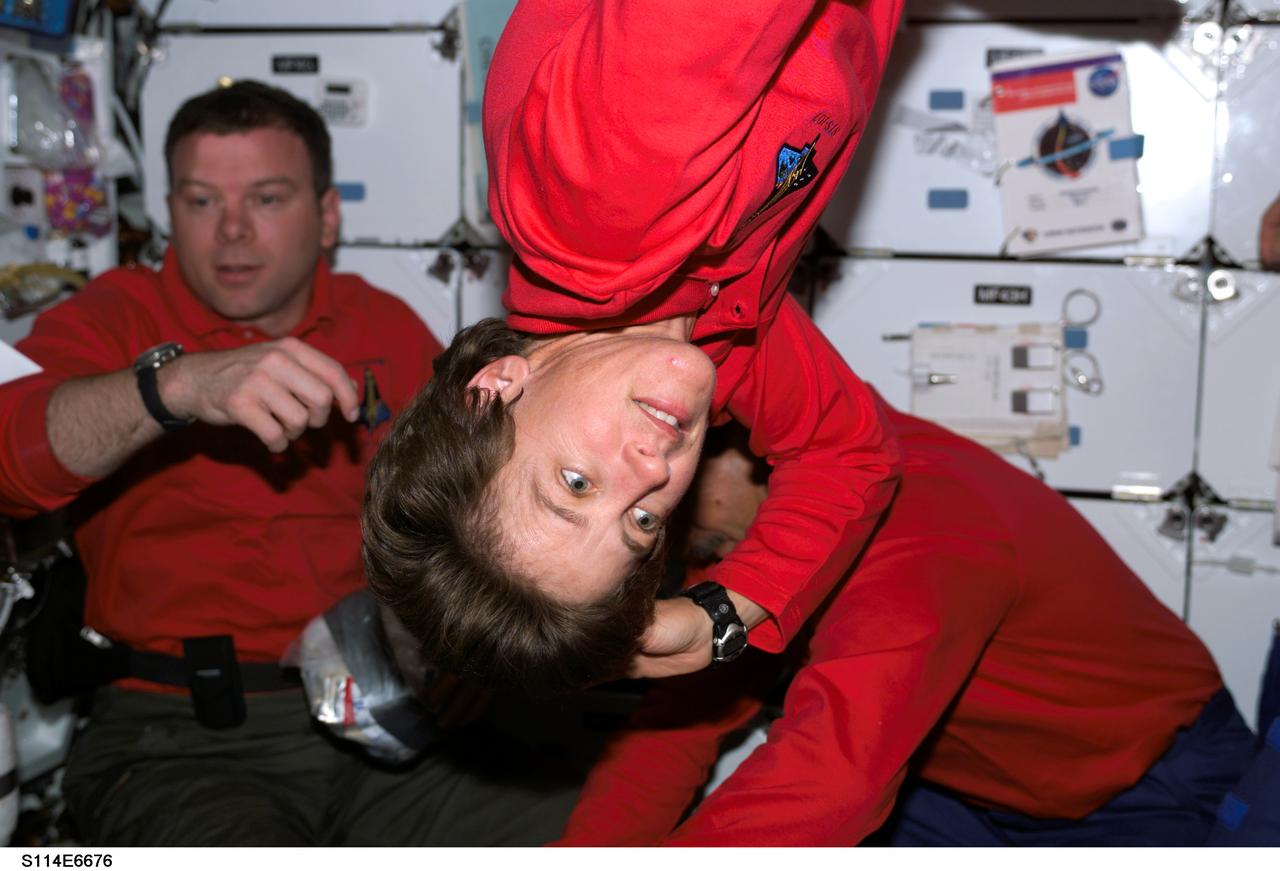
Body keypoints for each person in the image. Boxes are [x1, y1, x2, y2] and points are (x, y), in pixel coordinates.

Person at [0, 81, 575, 846]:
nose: (232, 232)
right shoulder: (118, 316)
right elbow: (9, 458)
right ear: (167, 212)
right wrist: (175, 386)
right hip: (180, 739)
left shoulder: (381, 323)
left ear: (327, 215)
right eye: (201, 202)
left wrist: (459, 652)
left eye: (267, 199)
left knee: (596, 817)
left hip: (380, 715)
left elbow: (462, 509)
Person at [362, 0, 905, 697]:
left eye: (577, 483)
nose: (650, 471)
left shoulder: (599, 194)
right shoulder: (701, 333)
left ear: (494, 387)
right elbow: (850, 454)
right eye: (642, 522)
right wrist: (722, 615)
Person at [554, 401, 1257, 846]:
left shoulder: (919, 523)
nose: (659, 544)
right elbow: (679, 723)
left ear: (735, 442)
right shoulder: (758, 528)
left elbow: (829, 779)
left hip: (1144, 784)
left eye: (660, 511)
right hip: (961, 791)